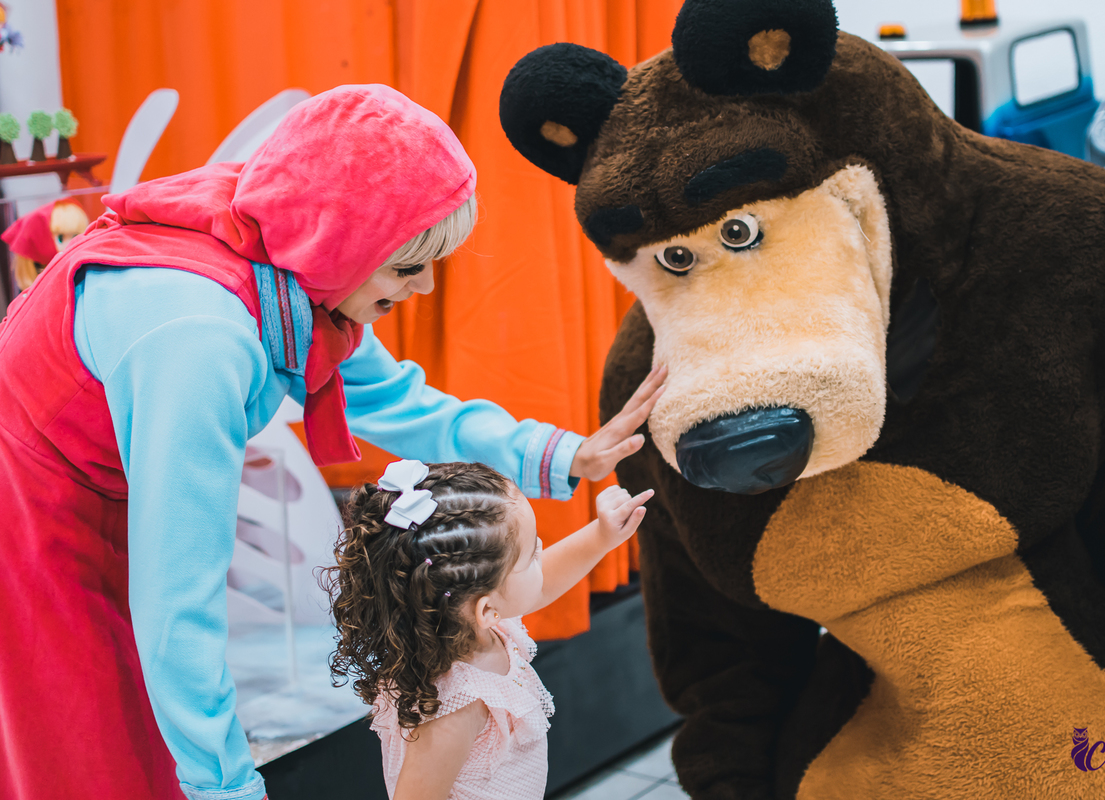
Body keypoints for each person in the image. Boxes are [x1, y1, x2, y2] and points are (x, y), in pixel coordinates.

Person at [0, 84, 665, 800]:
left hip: (107, 495)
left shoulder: (290, 244)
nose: (425, 286)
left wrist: (565, 454)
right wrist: (226, 787)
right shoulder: (199, 341)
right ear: (339, 243)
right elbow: (179, 604)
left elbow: (397, 397)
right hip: (40, 524)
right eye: (408, 265)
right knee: (102, 763)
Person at [324, 459, 653, 800]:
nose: (541, 550)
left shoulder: (475, 623)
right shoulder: (455, 709)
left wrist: (602, 534)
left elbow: (542, 585)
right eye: (529, 556)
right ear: (484, 608)